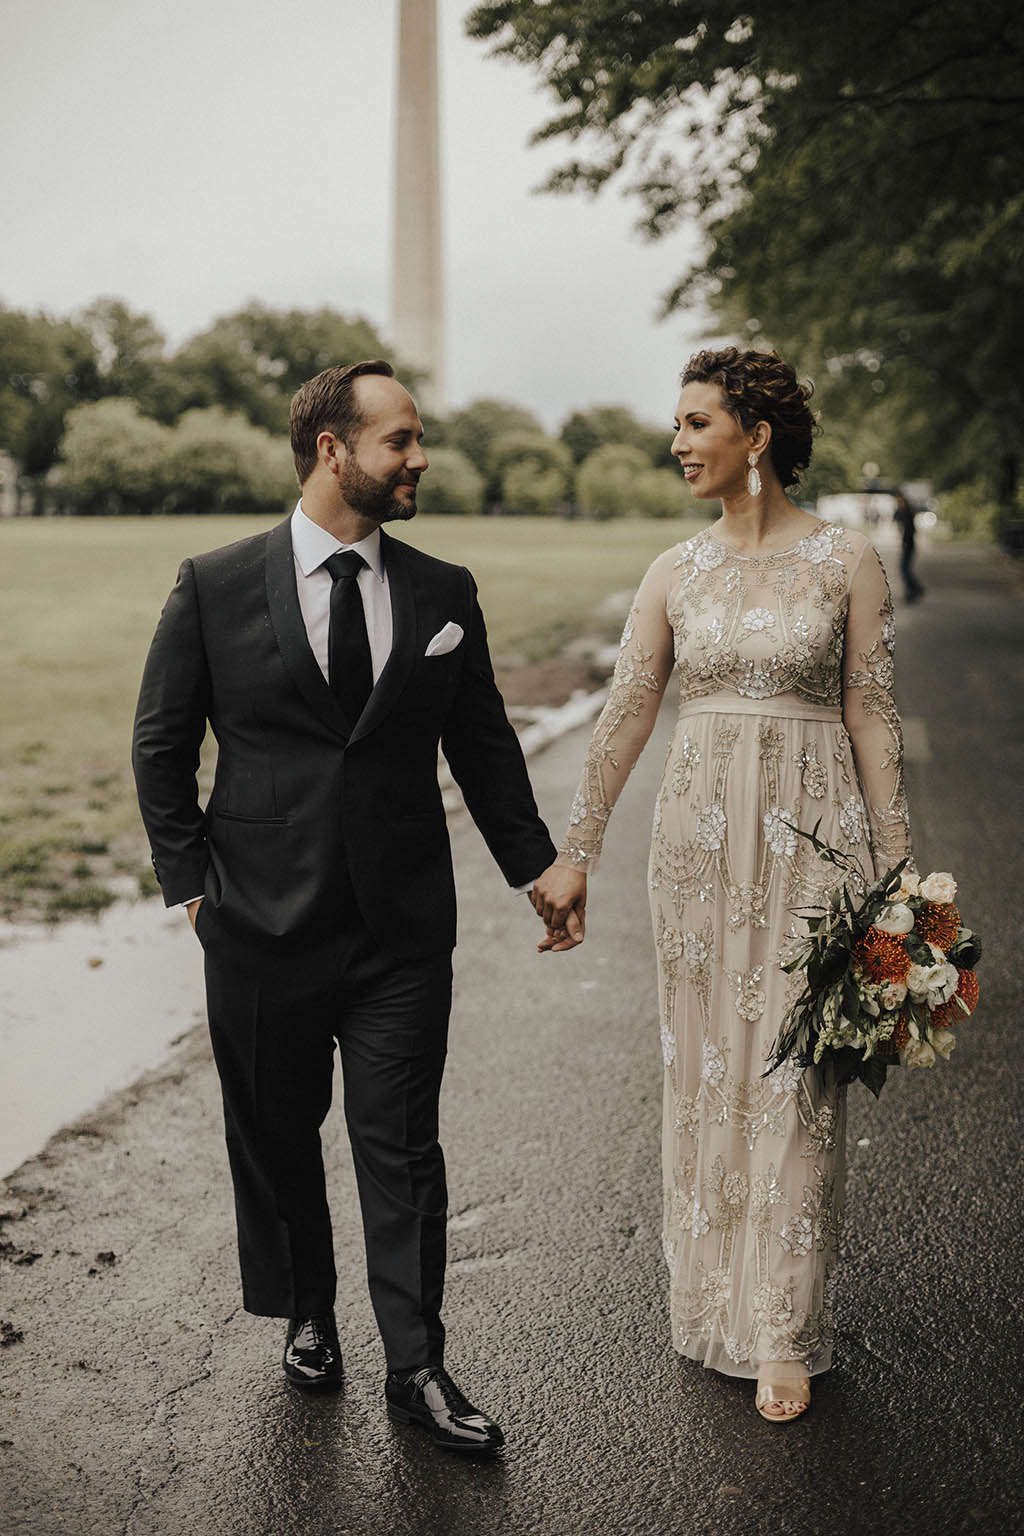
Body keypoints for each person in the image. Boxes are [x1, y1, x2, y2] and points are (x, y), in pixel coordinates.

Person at [132, 360, 560, 1454]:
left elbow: (484, 747)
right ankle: (308, 1310)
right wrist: (191, 888)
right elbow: (162, 745)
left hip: (400, 929)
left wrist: (538, 867)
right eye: (401, 441)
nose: (420, 460)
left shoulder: (441, 592)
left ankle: (417, 1368)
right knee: (276, 1134)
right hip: (257, 923)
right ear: (334, 450)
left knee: (402, 1145)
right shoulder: (216, 584)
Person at [531, 348, 913, 1423]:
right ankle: (712, 1304)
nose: (678, 441)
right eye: (676, 424)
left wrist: (897, 873)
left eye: (697, 422)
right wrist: (579, 850)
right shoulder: (673, 571)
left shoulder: (848, 562)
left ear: (758, 433)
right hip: (696, 853)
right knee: (708, 1074)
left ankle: (784, 1329)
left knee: (794, 1076)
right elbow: (623, 715)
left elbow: (871, 713)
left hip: (813, 843)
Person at [892, 492, 924, 602]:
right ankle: (914, 589)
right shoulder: (904, 512)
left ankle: (914, 589)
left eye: (900, 501)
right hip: (907, 544)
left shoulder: (907, 513)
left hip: (908, 545)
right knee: (905, 569)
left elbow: (910, 531)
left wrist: (905, 543)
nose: (899, 504)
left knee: (904, 569)